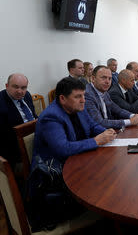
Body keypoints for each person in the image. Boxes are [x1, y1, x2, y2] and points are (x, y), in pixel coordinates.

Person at [29, 77, 116, 231]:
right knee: (109, 189)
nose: (83, 100)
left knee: (113, 175)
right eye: (78, 96)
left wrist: (106, 133)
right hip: (57, 175)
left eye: (83, 95)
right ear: (62, 98)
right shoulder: (51, 117)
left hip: (80, 161)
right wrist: (96, 141)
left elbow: (93, 125)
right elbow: (63, 149)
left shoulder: (78, 108)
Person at [0, 73, 37, 168]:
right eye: (15, 87)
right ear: (7, 86)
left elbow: (33, 116)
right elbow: (5, 137)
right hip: (15, 147)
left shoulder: (27, 95)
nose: (20, 91)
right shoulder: (1, 103)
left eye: (23, 87)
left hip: (34, 136)